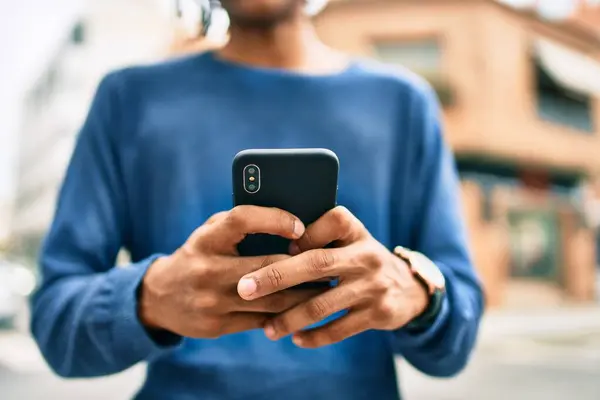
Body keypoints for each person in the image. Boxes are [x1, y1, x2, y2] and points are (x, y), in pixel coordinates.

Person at [30, 0, 484, 399]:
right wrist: (151, 297)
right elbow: (55, 322)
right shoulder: (129, 100)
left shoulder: (404, 104)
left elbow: (455, 342)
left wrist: (417, 293)